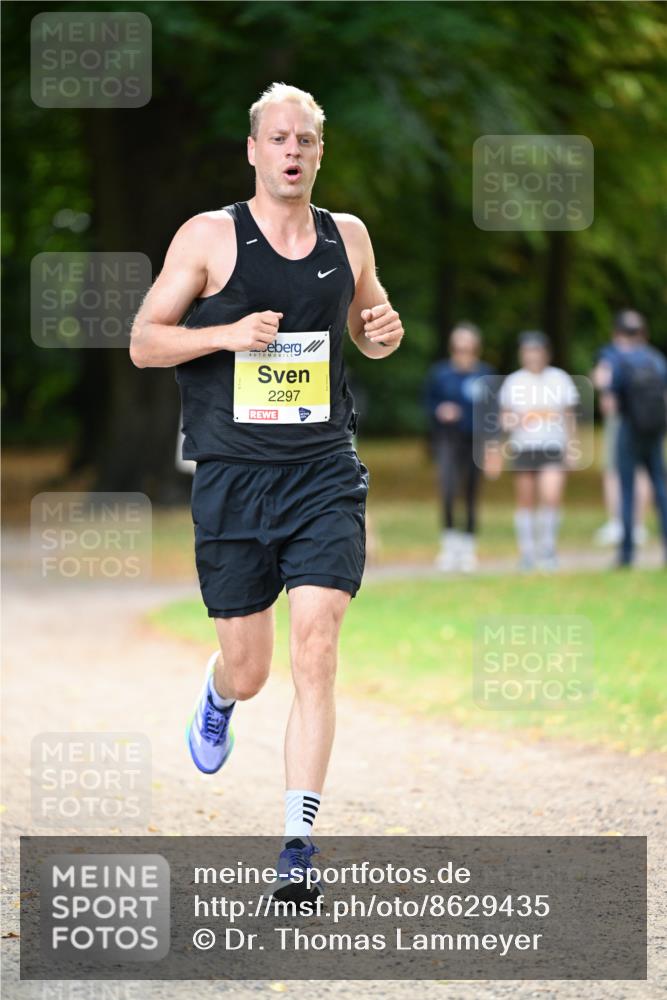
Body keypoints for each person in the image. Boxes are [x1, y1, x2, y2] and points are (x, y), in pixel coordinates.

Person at [129, 83, 404, 898]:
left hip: (323, 471)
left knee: (316, 647)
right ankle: (219, 695)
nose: (292, 151)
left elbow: (369, 322)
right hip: (233, 478)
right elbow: (145, 342)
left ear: (320, 151)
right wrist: (224, 333)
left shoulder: (347, 236)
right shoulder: (210, 236)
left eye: (307, 140)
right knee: (251, 670)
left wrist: (380, 333)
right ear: (253, 149)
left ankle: (297, 846)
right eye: (279, 137)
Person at [499, 331, 579, 571]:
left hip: (552, 446)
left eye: (537, 351)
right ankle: (527, 551)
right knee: (526, 501)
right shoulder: (514, 381)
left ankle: (548, 547)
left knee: (551, 496)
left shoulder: (559, 379)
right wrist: (512, 422)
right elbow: (504, 418)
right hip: (525, 446)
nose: (533, 356)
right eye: (528, 351)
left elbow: (569, 416)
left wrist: (572, 446)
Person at [423, 322, 494, 572]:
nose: (463, 353)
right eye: (458, 348)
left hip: (475, 441)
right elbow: (428, 404)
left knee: (472, 492)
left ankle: (468, 547)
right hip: (448, 440)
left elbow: (492, 413)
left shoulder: (485, 374)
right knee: (448, 488)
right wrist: (441, 411)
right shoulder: (441, 374)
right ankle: (449, 544)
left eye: (468, 348)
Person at [599, 310, 667, 567]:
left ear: (618, 334)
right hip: (655, 431)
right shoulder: (657, 360)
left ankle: (627, 554)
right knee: (661, 490)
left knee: (626, 490)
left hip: (629, 430)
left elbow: (609, 402)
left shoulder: (618, 360)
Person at [591, 313, 651, 547]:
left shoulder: (611, 355)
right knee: (633, 471)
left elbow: (601, 380)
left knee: (621, 471)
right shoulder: (650, 356)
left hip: (629, 420)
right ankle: (630, 524)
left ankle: (626, 524)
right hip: (642, 421)